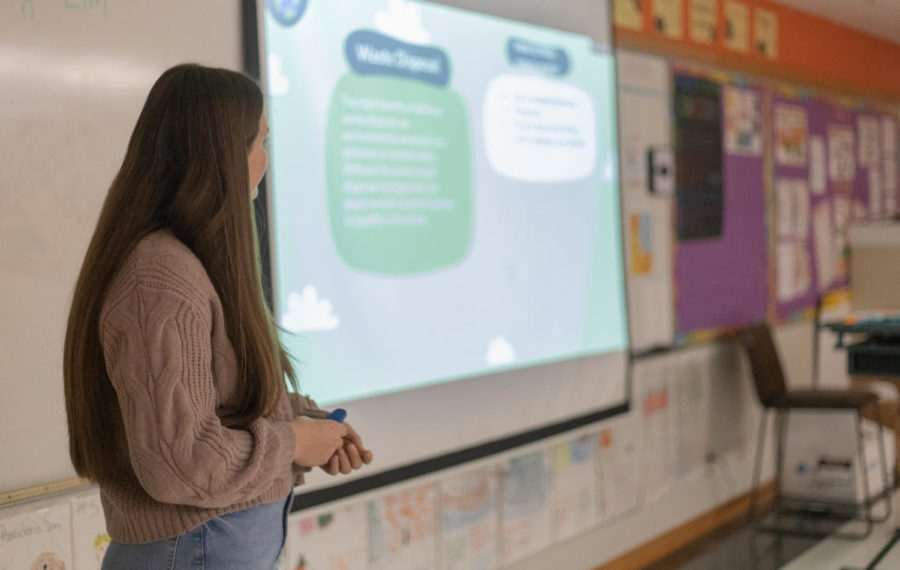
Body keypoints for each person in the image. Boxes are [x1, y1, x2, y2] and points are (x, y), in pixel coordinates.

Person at [63, 63, 373, 569]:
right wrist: (292, 440)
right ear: (223, 156)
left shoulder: (182, 262)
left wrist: (301, 423)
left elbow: (208, 400)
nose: (265, 161)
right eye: (260, 144)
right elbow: (179, 461)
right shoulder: (158, 277)